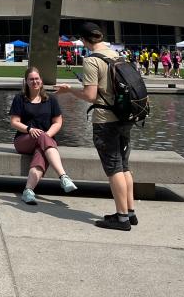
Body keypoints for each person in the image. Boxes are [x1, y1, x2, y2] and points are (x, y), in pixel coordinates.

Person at [57, 22, 137, 231]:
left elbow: (90, 96)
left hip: (105, 119)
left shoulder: (92, 60)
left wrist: (70, 90)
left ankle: (121, 219)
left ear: (83, 40)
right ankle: (130, 211)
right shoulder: (116, 55)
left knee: (113, 169)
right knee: (124, 166)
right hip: (124, 117)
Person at [9, 66, 77, 205]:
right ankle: (63, 176)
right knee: (42, 138)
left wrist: (46, 135)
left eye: (37, 79)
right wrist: (29, 129)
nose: (35, 82)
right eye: (31, 79)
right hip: (23, 140)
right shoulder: (20, 99)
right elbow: (14, 122)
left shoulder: (50, 100)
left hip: (44, 141)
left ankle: (28, 191)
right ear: (26, 82)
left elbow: (58, 122)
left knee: (41, 154)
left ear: (41, 80)